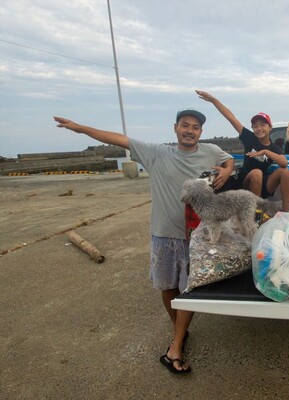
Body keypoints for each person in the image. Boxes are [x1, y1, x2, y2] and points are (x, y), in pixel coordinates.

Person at [54, 109, 235, 374]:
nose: (190, 130)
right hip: (163, 233)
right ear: (175, 128)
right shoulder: (157, 153)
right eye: (185, 125)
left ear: (201, 132)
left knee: (190, 290)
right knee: (167, 287)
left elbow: (228, 158)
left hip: (196, 235)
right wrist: (81, 128)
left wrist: (227, 171)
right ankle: (179, 332)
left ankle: (175, 346)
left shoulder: (210, 150)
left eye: (195, 127)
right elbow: (120, 139)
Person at [195, 90, 289, 211]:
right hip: (246, 183)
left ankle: (287, 212)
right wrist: (214, 100)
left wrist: (265, 152)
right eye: (255, 126)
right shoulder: (249, 138)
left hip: (264, 185)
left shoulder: (274, 148)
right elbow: (231, 118)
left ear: (270, 128)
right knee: (257, 173)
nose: (259, 128)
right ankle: (255, 213)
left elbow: (284, 163)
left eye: (262, 125)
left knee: (285, 171)